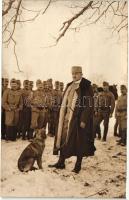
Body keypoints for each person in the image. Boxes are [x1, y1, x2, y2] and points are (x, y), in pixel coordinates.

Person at [48, 66, 96, 173]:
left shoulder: (86, 86)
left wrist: (83, 120)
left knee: (79, 141)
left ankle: (78, 165)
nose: (74, 75)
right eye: (72, 74)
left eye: (76, 73)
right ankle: (61, 162)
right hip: (66, 118)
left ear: (81, 74)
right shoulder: (69, 85)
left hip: (78, 119)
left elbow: (89, 105)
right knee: (63, 138)